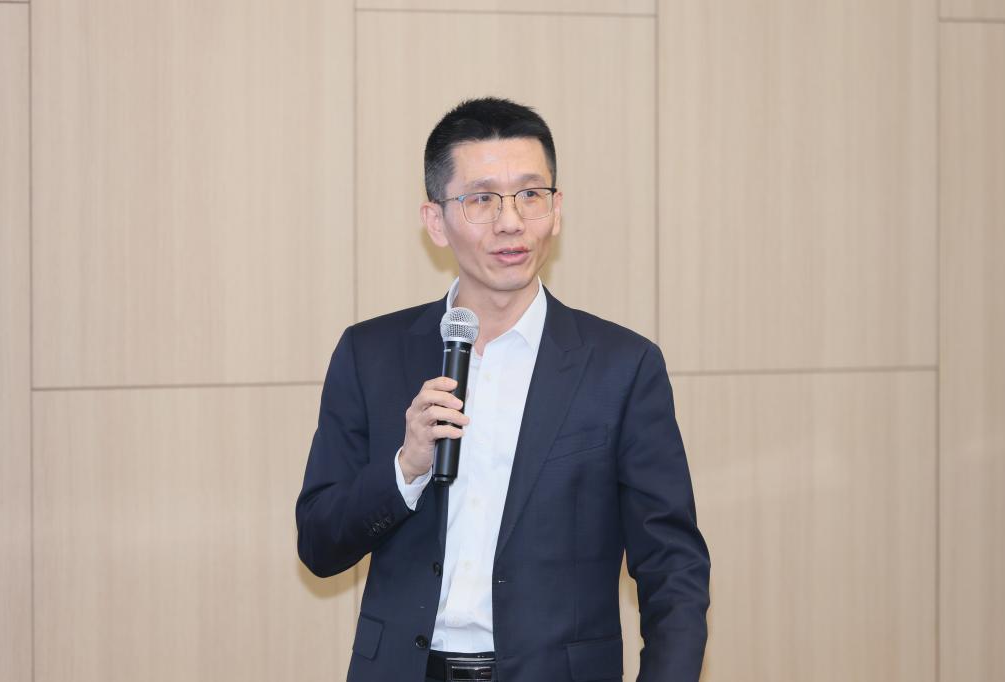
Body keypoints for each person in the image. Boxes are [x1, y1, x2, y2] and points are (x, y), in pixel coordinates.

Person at [296, 97, 709, 682]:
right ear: (436, 221)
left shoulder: (622, 366)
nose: (510, 222)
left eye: (530, 195)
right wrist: (406, 468)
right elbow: (319, 544)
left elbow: (673, 568)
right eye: (482, 199)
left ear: (556, 210)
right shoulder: (370, 354)